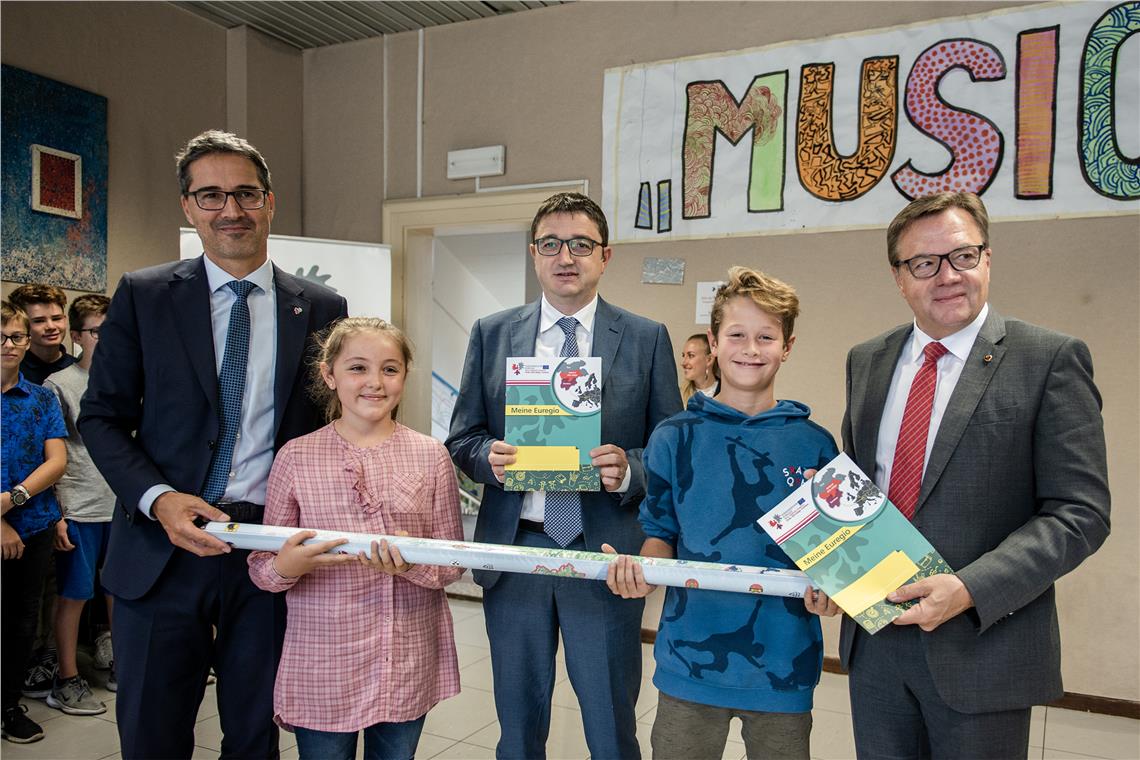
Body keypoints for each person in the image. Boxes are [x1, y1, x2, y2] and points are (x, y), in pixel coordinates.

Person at [78, 130, 348, 759]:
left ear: (270, 201)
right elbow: (102, 417)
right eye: (211, 196)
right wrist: (158, 498)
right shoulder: (144, 295)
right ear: (188, 206)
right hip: (162, 546)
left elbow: (335, 429)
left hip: (269, 551)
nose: (231, 210)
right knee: (152, 734)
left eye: (246, 193)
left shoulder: (321, 307)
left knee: (255, 736)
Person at [839, 192, 1110, 759]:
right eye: (924, 263)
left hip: (984, 649)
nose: (947, 276)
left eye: (962, 256)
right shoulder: (867, 360)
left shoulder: (1048, 359)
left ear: (987, 258)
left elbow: (1079, 514)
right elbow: (861, 489)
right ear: (899, 278)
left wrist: (968, 590)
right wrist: (833, 567)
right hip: (876, 646)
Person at [606, 266, 841, 760]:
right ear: (713, 342)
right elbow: (660, 533)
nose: (750, 349)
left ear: (787, 346)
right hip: (688, 661)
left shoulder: (816, 445)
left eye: (765, 337)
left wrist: (834, 591)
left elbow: (832, 556)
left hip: (784, 665)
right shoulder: (674, 437)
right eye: (736, 335)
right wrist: (643, 573)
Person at [249, 317, 463, 760]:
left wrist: (412, 565)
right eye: (358, 368)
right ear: (329, 375)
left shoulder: (431, 455)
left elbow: (453, 561)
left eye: (390, 369)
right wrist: (288, 565)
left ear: (404, 376)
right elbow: (262, 569)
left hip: (404, 657)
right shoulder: (296, 457)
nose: (375, 383)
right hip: (325, 660)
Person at [43, 294, 117, 716]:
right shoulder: (60, 385)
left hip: (121, 506)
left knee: (119, 592)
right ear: (77, 336)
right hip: (79, 507)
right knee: (74, 595)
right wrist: (58, 514)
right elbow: (50, 454)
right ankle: (66, 678)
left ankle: (122, 665)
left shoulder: (129, 379)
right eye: (97, 332)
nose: (107, 339)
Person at [1, 300, 68, 744]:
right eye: (1, 337)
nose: (9, 345)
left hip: (33, 525)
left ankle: (8, 705)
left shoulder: (42, 398)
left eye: (16, 337)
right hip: (6, 526)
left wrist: (13, 500)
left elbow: (57, 461)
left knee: (21, 620)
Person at [7, 283, 76, 385]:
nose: (51, 327)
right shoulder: (10, 370)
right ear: (21, 325)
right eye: (39, 321)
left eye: (56, 318)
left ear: (65, 320)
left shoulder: (80, 368)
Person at [679, 332, 717, 404]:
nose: (683, 363)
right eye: (683, 355)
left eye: (691, 355)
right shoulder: (678, 395)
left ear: (709, 360)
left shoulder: (727, 393)